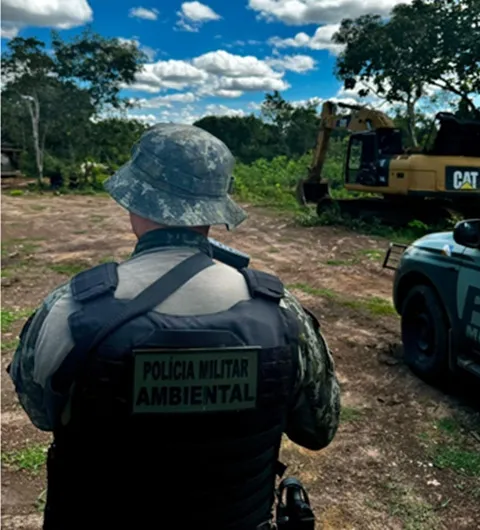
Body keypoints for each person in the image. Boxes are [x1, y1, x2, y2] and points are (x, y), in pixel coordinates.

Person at [6, 124, 341, 530]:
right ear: (214, 209)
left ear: (135, 202)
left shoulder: (70, 308)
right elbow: (318, 429)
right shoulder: (283, 314)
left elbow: (42, 413)